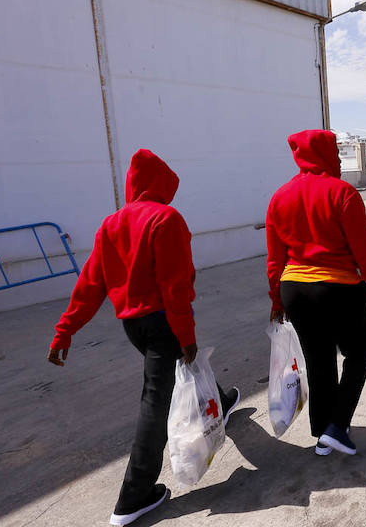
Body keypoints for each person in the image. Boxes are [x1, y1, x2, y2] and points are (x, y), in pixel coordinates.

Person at [46, 149, 239, 526]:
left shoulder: (110, 224)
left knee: (185, 369)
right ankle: (133, 497)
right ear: (161, 184)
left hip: (133, 325)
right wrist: (185, 333)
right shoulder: (166, 219)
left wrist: (64, 330)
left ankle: (222, 399)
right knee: (156, 400)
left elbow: (90, 284)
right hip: (164, 322)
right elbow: (175, 285)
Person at [266, 129, 366, 457]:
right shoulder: (342, 193)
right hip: (337, 288)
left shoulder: (279, 197)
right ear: (324, 155)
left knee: (319, 360)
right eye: (336, 155)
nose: (339, 160)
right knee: (359, 352)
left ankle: (323, 432)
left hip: (294, 289)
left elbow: (275, 260)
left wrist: (276, 300)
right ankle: (337, 427)